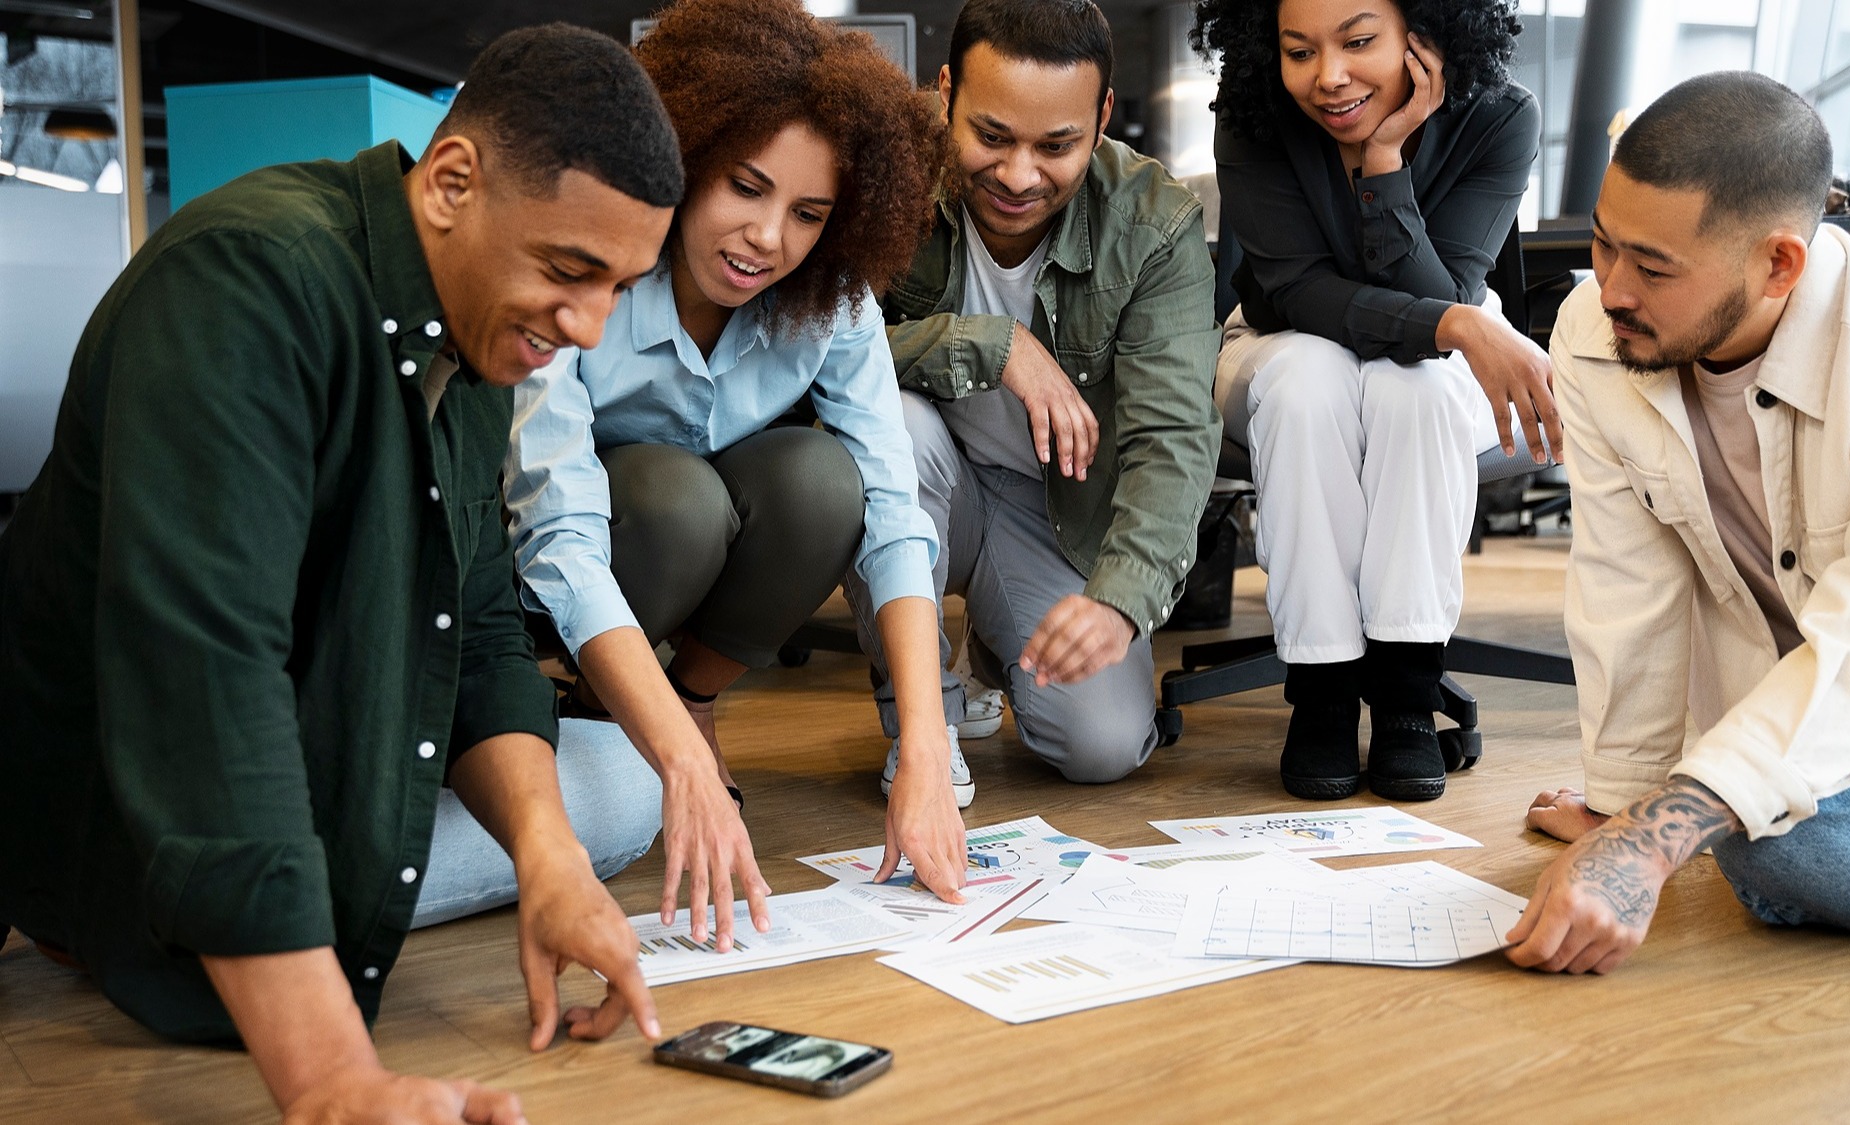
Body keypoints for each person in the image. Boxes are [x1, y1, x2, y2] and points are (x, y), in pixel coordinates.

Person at [0, 25, 680, 1123]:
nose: (590, 326)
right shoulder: (248, 280)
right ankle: (263, 945)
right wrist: (330, 1081)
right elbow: (205, 677)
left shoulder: (481, 327)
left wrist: (549, 862)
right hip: (123, 820)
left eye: (619, 287)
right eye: (569, 271)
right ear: (452, 182)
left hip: (316, 729)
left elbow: (483, 624)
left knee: (613, 795)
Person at [505, 0, 969, 953]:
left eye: (808, 212)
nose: (767, 238)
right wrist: (677, 769)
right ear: (686, 155)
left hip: (717, 537)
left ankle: (695, 697)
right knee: (677, 498)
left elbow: (890, 503)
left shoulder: (830, 297)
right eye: (744, 188)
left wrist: (922, 738)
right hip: (594, 553)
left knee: (823, 481)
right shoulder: (593, 265)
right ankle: (625, 711)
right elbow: (560, 531)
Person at [1509, 72, 1850, 975]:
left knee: (1771, 836)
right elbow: (1627, 589)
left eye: (1653, 267)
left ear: (1780, 264)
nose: (1611, 287)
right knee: (1754, 814)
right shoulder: (1595, 331)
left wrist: (1658, 839)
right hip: (1836, 748)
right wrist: (1622, 811)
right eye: (1603, 243)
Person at [846, 0, 1222, 792]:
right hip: (924, 466)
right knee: (890, 426)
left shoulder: (1153, 223)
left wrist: (1120, 604)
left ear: (1103, 115)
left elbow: (1174, 438)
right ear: (946, 92)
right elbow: (814, 358)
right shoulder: (883, 172)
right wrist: (994, 345)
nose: (1019, 176)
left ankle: (991, 641)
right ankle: (925, 722)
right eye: (991, 137)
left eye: (1057, 146)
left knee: (1104, 745)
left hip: (1052, 512)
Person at [1189, 0, 1559, 803]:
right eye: (1298, 50)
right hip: (1281, 338)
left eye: (1358, 42)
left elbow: (1441, 296)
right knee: (1308, 382)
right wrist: (1454, 321)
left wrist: (1385, 160)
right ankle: (1320, 690)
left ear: (1424, 36)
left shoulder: (1498, 115)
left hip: (1439, 346)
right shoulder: (1255, 111)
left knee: (1413, 386)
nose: (1327, 76)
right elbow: (1298, 290)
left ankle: (1405, 694)